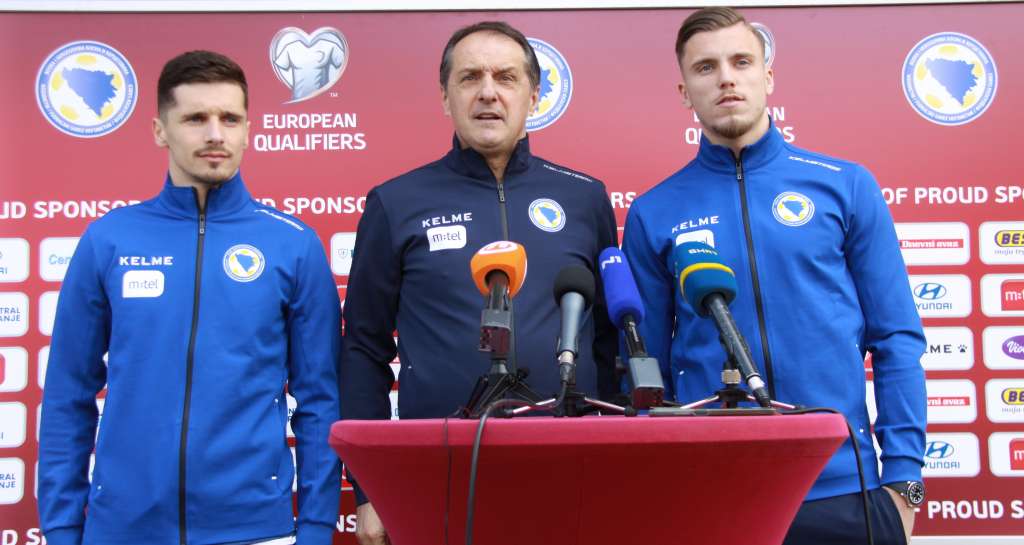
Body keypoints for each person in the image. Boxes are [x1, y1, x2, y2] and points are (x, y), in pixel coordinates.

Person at [622, 8, 926, 545]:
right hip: (711, 490)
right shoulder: (654, 211)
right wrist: (661, 480)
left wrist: (905, 482)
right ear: (685, 91)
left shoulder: (846, 185)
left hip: (844, 489)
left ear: (768, 76)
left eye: (741, 62)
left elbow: (896, 338)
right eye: (706, 67)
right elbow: (644, 366)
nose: (726, 79)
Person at [38, 50, 342, 545]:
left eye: (230, 118)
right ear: (161, 130)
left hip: (254, 529)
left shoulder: (293, 245)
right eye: (196, 118)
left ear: (248, 130)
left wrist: (314, 528)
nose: (216, 134)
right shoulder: (109, 240)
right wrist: (61, 527)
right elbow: (67, 396)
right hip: (123, 530)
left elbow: (321, 402)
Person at [340, 21, 618, 545]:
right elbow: (363, 349)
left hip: (569, 472)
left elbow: (608, 340)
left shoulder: (585, 198)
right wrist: (368, 487)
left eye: (506, 77)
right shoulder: (395, 203)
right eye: (470, 78)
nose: (488, 92)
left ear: (533, 95)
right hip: (437, 476)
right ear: (445, 97)